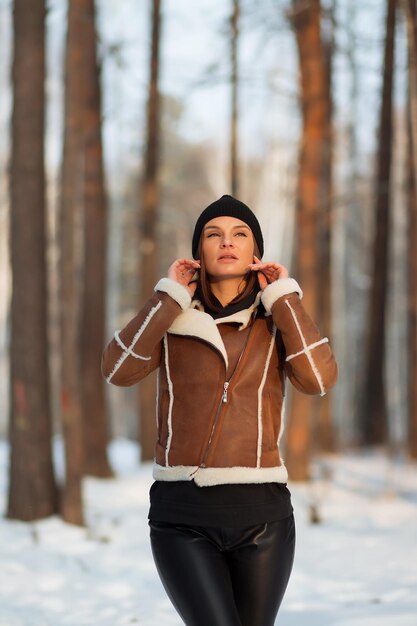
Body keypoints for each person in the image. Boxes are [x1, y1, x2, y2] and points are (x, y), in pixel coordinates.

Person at [102, 194, 338, 626]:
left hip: (263, 518)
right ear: (198, 253)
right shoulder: (172, 318)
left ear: (256, 254)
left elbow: (319, 379)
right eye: (213, 234)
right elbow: (118, 369)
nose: (226, 242)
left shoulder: (275, 320)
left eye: (239, 234)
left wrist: (285, 298)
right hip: (182, 516)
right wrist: (168, 296)